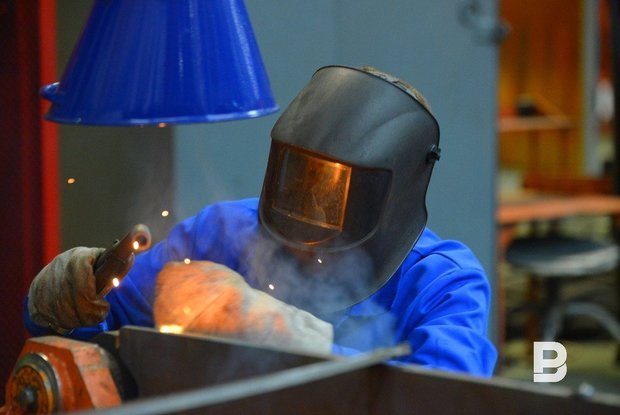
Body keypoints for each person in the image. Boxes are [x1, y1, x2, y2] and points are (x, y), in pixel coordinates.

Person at [25, 65, 497, 377]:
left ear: (390, 194)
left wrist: (298, 342)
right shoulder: (221, 234)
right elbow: (98, 325)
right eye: (300, 176)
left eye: (334, 189)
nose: (310, 203)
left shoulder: (441, 282)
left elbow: (446, 396)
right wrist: (68, 301)